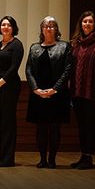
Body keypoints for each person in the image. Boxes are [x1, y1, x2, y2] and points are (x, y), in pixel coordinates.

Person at [25, 16, 73, 168]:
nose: (48, 28)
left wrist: (54, 89)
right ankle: (42, 159)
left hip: (57, 94)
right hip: (38, 94)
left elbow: (67, 70)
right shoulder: (34, 47)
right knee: (41, 128)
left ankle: (52, 159)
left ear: (56, 29)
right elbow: (28, 69)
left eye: (52, 25)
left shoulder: (65, 46)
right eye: (46, 25)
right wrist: (35, 89)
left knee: (54, 128)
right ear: (41, 29)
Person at [68, 11, 95, 170]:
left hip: (92, 92)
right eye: (84, 22)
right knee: (81, 125)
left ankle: (89, 157)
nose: (87, 24)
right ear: (80, 24)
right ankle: (83, 155)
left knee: (90, 125)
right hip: (77, 92)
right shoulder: (75, 43)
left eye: (90, 22)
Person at [0, 15, 24, 167]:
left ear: (13, 27)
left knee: (7, 122)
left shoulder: (17, 45)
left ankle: (7, 158)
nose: (5, 27)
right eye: (3, 25)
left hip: (9, 86)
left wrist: (0, 83)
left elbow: (14, 67)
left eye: (8, 25)